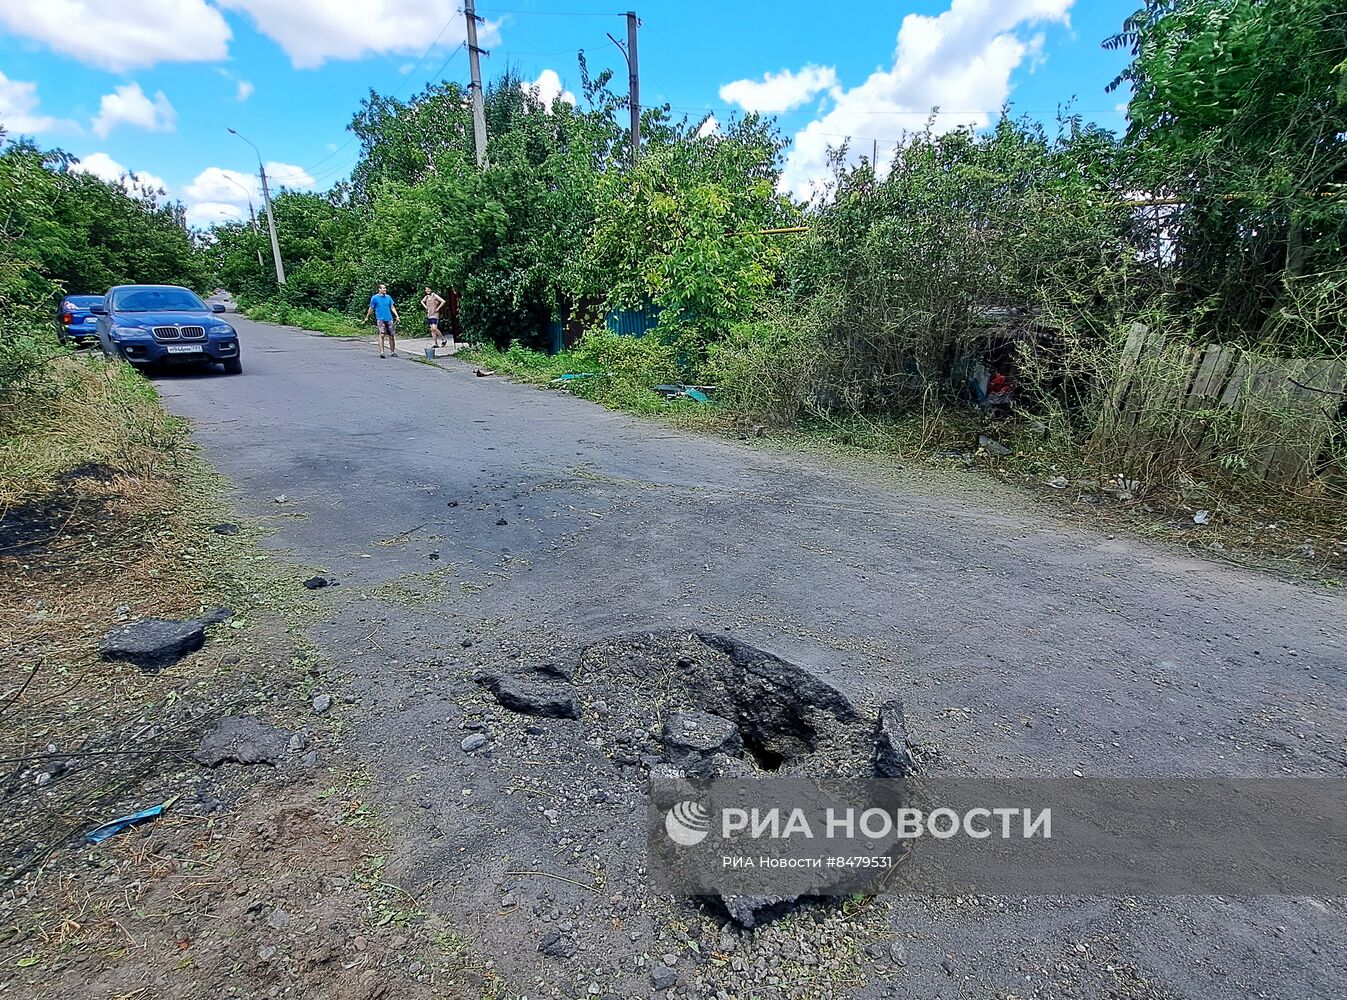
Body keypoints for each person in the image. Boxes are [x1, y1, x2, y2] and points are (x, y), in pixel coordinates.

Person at [364, 283, 400, 358]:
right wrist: (367, 316)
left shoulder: (388, 297)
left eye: (385, 288)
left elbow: (392, 307)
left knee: (391, 335)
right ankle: (382, 352)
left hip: (389, 318)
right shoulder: (375, 298)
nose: (385, 289)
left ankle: (392, 352)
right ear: (379, 289)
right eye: (383, 288)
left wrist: (397, 316)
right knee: (382, 335)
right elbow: (371, 308)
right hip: (380, 319)